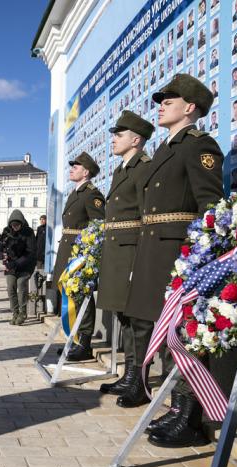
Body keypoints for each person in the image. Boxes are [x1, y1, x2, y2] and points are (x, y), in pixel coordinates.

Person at [125, 74, 223, 447]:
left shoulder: (199, 145)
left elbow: (210, 207)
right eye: (162, 99)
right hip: (154, 250)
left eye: (170, 99)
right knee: (164, 335)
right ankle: (175, 409)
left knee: (182, 335)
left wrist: (198, 260)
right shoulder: (167, 149)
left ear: (191, 107)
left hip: (178, 253)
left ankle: (190, 417)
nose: (162, 104)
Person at [95, 111, 154, 402]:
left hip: (132, 251)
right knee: (125, 317)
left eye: (119, 135)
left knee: (139, 320)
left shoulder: (144, 168)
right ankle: (129, 375)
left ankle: (139, 382)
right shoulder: (121, 170)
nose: (114, 140)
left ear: (136, 139)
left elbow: (147, 217)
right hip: (118, 252)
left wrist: (141, 260)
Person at [51, 152, 105, 361]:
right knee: (71, 296)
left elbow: (98, 226)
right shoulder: (76, 193)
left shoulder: (92, 194)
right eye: (72, 166)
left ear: (86, 172)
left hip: (79, 254)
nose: (72, 168)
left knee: (82, 295)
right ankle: (73, 339)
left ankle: (84, 343)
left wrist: (88, 255)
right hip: (68, 249)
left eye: (76, 166)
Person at [1, 210, 36, 325]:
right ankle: (15, 312)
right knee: (11, 287)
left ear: (21, 223)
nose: (15, 227)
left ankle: (23, 312)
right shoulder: (7, 231)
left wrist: (16, 263)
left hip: (25, 266)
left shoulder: (29, 232)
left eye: (17, 225)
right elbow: (0, 246)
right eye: (13, 225)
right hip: (11, 266)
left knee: (21, 285)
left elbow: (30, 253)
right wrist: (0, 254)